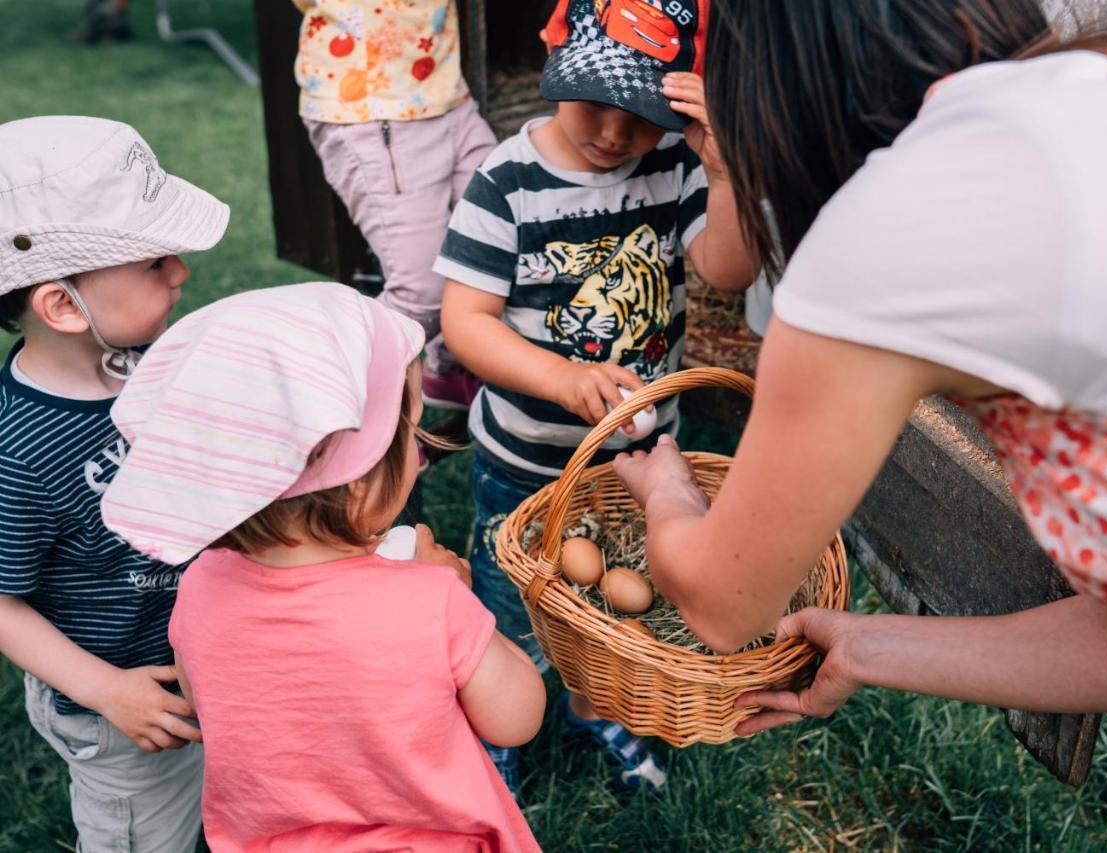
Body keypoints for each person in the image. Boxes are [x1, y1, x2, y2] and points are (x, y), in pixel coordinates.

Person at [611, 0, 1107, 732]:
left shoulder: (898, 221)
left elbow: (722, 601)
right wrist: (865, 645)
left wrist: (669, 486)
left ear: (775, 102)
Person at [438, 0, 758, 796]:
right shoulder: (506, 183)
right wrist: (561, 378)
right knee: (514, 600)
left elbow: (727, 269)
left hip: (637, 463)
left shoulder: (676, 168)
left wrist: (722, 168)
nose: (616, 135)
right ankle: (498, 727)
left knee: (618, 593)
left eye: (644, 116)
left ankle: (596, 699)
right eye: (595, 104)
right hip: (524, 459)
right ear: (555, 57)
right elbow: (465, 322)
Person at [101, 282, 545, 851]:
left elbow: (210, 700)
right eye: (407, 432)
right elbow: (517, 718)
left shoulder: (203, 585)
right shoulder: (430, 601)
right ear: (358, 482)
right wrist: (460, 595)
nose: (419, 449)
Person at [0, 115, 228, 852]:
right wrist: (105, 690)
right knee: (145, 835)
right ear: (64, 305)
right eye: (156, 262)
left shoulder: (145, 354)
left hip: (196, 655)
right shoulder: (18, 453)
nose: (181, 273)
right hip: (121, 698)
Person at [291, 0, 497, 409]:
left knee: (496, 247)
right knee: (421, 294)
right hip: (373, 106)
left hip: (446, 94)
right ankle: (322, 403)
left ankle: (448, 370)